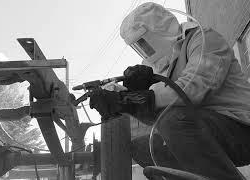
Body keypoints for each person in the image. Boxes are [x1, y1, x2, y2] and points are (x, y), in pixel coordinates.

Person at [89, 2, 250, 180]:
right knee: (141, 148)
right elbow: (160, 117)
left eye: (142, 42)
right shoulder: (164, 67)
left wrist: (134, 98)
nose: (143, 50)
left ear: (158, 30)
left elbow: (194, 88)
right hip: (207, 134)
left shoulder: (203, 39)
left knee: (172, 120)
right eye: (136, 46)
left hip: (241, 129)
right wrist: (125, 102)